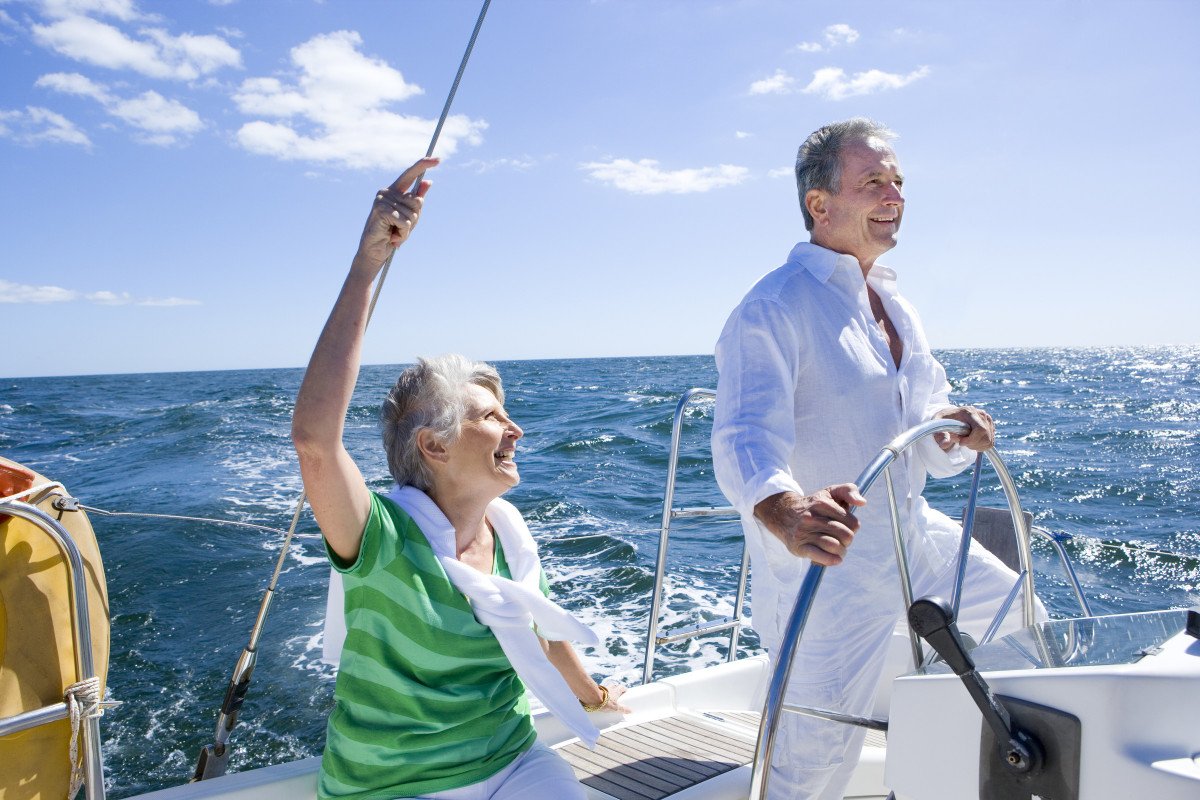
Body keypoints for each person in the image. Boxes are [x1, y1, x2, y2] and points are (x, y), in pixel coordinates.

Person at [711, 118, 1041, 799]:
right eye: (873, 183)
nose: (893, 195)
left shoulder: (895, 305)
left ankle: (962, 765)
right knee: (816, 761)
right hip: (829, 564)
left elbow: (926, 420)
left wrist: (956, 429)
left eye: (897, 182)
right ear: (820, 204)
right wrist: (787, 511)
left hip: (911, 533)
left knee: (1018, 609)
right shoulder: (772, 307)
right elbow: (743, 437)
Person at [292, 157, 627, 800]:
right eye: (490, 416)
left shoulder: (509, 535)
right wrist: (368, 265)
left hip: (511, 758)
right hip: (393, 785)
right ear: (434, 446)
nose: (516, 429)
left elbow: (542, 633)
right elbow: (314, 440)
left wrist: (595, 697)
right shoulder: (381, 539)